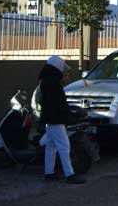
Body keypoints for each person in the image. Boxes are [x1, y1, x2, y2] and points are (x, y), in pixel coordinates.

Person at [37, 56, 85, 184]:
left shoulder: (46, 81)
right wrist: (69, 117)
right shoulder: (54, 83)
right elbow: (59, 103)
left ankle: (49, 173)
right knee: (64, 146)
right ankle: (70, 175)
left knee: (51, 146)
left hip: (50, 119)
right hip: (56, 120)